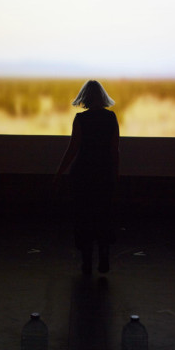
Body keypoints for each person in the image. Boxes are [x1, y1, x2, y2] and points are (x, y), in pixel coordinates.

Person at [55, 80, 120, 274]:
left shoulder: (81, 119)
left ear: (85, 97)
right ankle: (104, 257)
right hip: (104, 173)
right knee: (103, 215)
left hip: (83, 173)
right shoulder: (111, 118)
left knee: (83, 217)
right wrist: (115, 175)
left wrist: (59, 172)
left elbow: (72, 149)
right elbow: (114, 150)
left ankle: (87, 261)